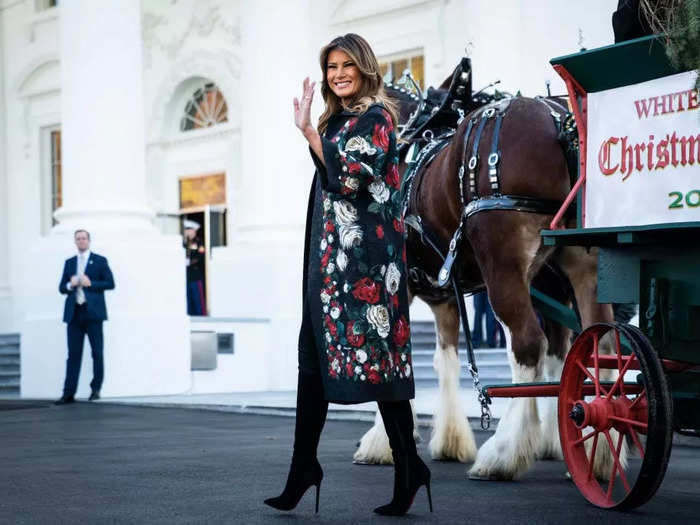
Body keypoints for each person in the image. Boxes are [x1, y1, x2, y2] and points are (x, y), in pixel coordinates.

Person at [264, 34, 431, 516]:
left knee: (381, 368)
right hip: (329, 265)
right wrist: (315, 131)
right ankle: (303, 468)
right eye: (331, 66)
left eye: (346, 66)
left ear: (363, 68)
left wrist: (311, 136)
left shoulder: (378, 118)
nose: (338, 74)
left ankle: (408, 466)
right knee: (312, 361)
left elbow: (351, 176)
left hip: (368, 269)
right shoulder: (337, 119)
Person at [55, 229, 115, 404]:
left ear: (89, 240)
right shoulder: (69, 262)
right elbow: (61, 287)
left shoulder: (100, 261)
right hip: (74, 313)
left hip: (93, 313)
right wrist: (69, 284)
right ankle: (68, 393)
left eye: (83, 238)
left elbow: (111, 283)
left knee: (97, 352)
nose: (81, 241)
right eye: (78, 239)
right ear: (75, 242)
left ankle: (96, 389)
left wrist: (92, 283)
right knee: (73, 354)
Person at [183, 220, 206, 316]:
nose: (187, 231)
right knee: (189, 301)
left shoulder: (199, 242)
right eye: (186, 229)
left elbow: (201, 256)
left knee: (198, 301)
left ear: (194, 230)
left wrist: (190, 262)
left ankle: (202, 320)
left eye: (189, 229)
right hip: (187, 277)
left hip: (196, 276)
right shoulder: (185, 243)